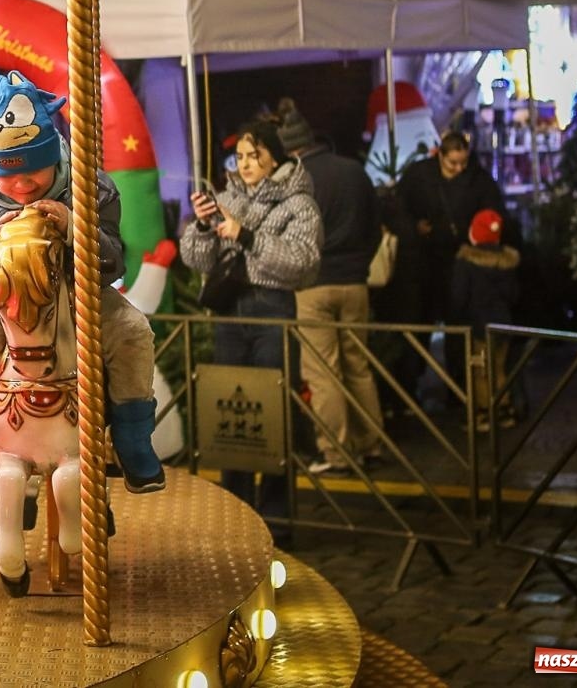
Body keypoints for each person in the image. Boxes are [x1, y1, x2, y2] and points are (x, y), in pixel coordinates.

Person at [0, 68, 165, 499]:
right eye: (8, 175)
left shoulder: (90, 190)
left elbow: (113, 262)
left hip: (79, 293)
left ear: (54, 157)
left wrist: (76, 227)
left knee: (133, 331)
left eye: (35, 171)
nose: (22, 184)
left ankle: (133, 434)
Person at [182, 116, 321, 525]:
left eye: (253, 155)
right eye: (239, 156)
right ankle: (235, 511)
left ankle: (277, 515)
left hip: (271, 309)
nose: (244, 164)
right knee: (230, 411)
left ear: (273, 157)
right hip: (229, 310)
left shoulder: (299, 203)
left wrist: (248, 236)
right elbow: (196, 258)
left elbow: (303, 263)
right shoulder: (229, 197)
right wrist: (205, 227)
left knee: (273, 410)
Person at [277, 99, 386, 475]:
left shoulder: (294, 181)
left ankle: (338, 453)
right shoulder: (354, 171)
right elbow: (375, 227)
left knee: (323, 372)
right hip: (355, 283)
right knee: (358, 366)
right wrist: (358, 263)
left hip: (313, 286)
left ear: (289, 149)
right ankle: (372, 444)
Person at [392, 130, 505, 402]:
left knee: (459, 329)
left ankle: (459, 390)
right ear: (440, 155)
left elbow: (493, 212)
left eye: (462, 163)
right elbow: (398, 207)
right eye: (452, 163)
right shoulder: (420, 175)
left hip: (459, 261)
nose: (458, 169)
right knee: (420, 324)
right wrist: (413, 228)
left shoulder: (477, 179)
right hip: (424, 263)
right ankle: (410, 386)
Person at [449, 208, 521, 431]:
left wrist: (458, 314)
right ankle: (503, 410)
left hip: (479, 324)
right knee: (499, 369)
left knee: (480, 372)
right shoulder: (507, 262)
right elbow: (514, 295)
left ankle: (483, 415)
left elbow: (459, 295)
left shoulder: (467, 262)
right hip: (504, 323)